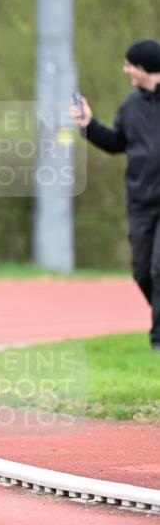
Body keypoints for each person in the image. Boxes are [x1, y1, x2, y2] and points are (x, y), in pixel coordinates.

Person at [70, 38, 160, 350]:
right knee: (142, 271)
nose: (126, 70)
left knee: (159, 268)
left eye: (130, 65)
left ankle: (157, 341)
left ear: (146, 67)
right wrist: (89, 125)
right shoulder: (130, 105)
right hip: (140, 200)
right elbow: (116, 143)